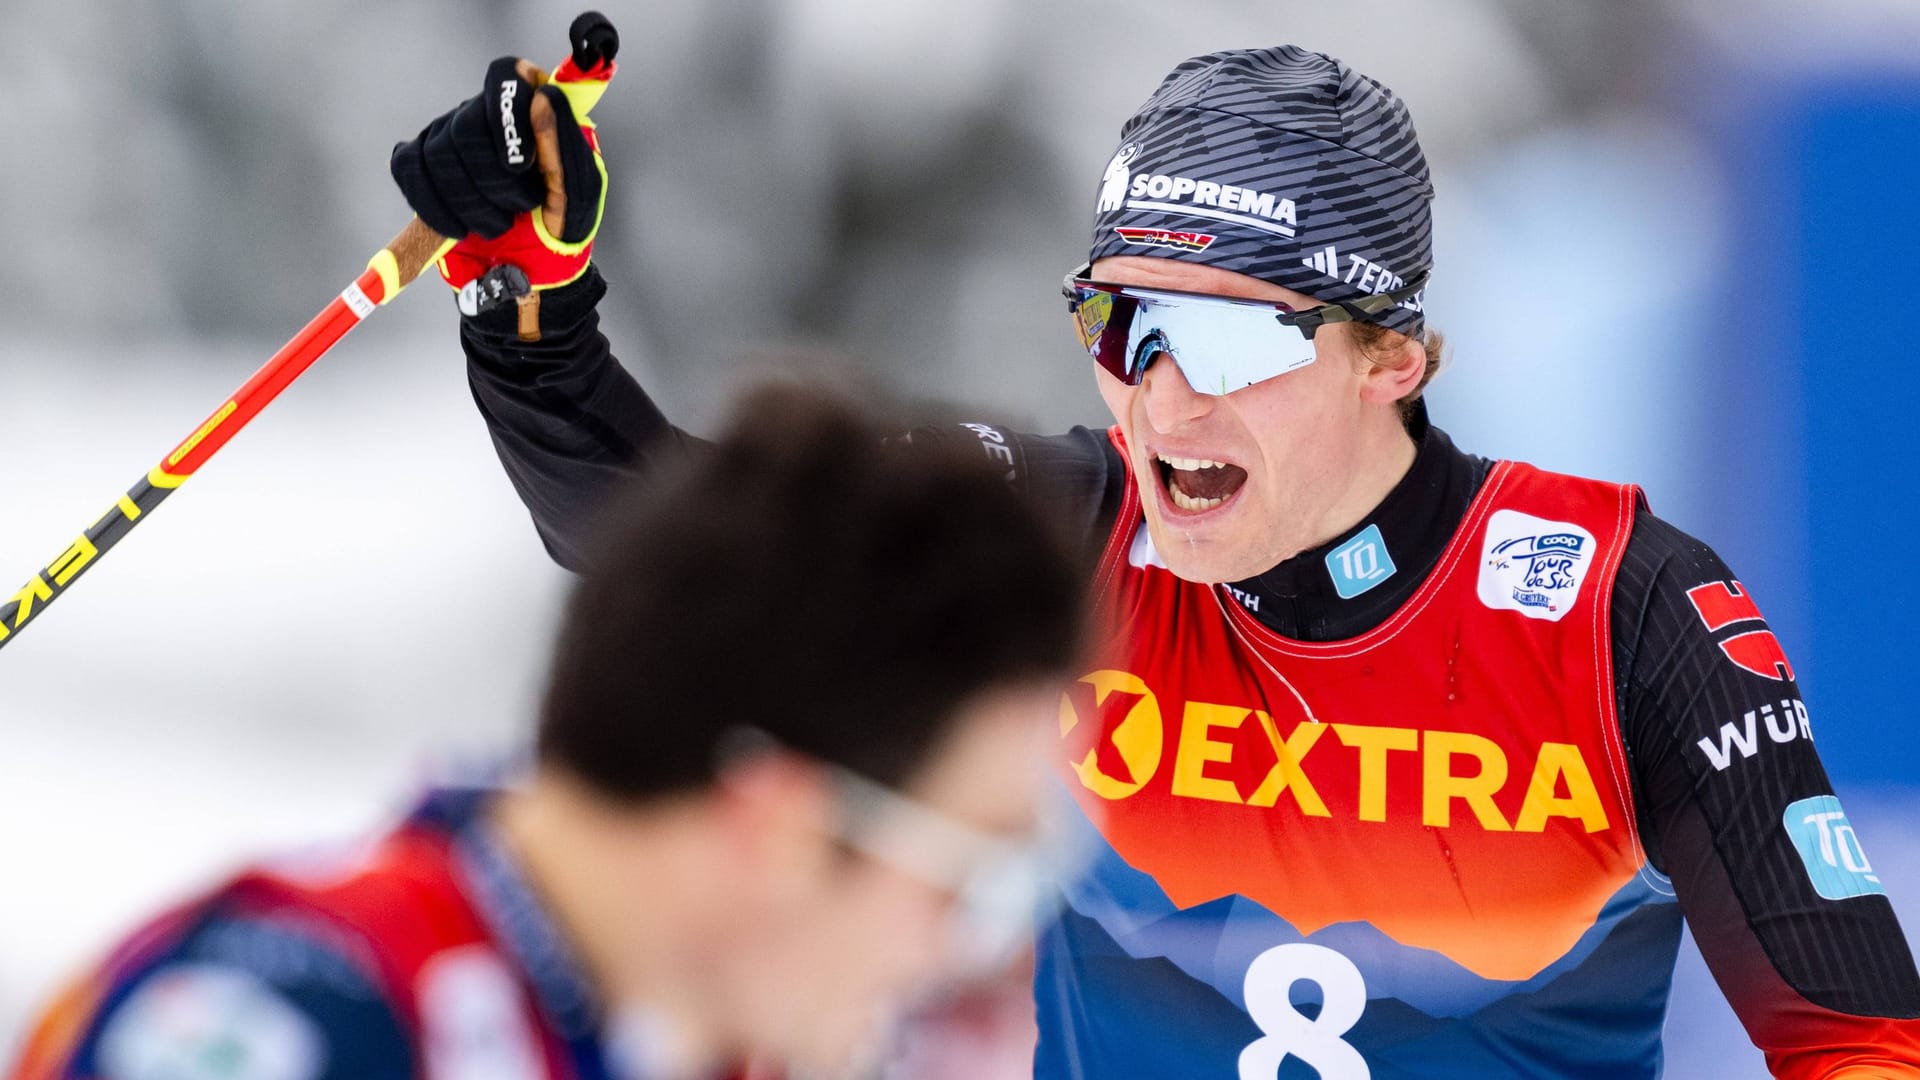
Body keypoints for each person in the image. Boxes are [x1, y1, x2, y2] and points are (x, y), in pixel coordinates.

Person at [391, 41, 1920, 1079]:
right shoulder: (1060, 539)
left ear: (1395, 354)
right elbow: (666, 533)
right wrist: (534, 313)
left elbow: (1860, 1035)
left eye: (1234, 334)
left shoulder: (1615, 603)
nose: (1159, 395)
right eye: (1121, 323)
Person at [8, 386, 1086, 1080]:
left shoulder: (688, 1022)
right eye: (972, 880)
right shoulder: (293, 1018)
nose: (967, 956)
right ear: (783, 826)